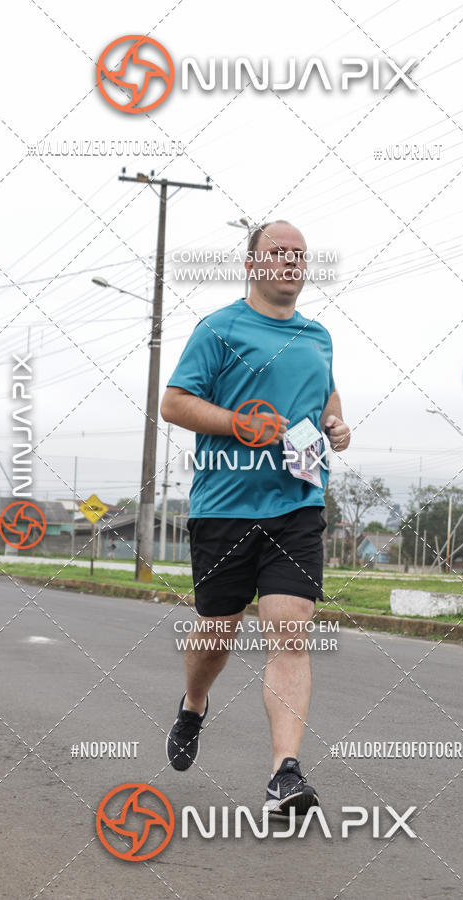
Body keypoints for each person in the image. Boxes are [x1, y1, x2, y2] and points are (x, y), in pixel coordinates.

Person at [161, 220, 350, 816]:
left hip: (297, 504)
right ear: (252, 264)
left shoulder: (317, 336)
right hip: (224, 508)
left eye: (299, 254)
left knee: (290, 628)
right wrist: (239, 423)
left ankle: (284, 774)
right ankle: (194, 703)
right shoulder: (218, 329)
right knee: (217, 631)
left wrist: (337, 425)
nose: (290, 262)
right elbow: (174, 403)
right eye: (278, 253)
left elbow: (326, 397)